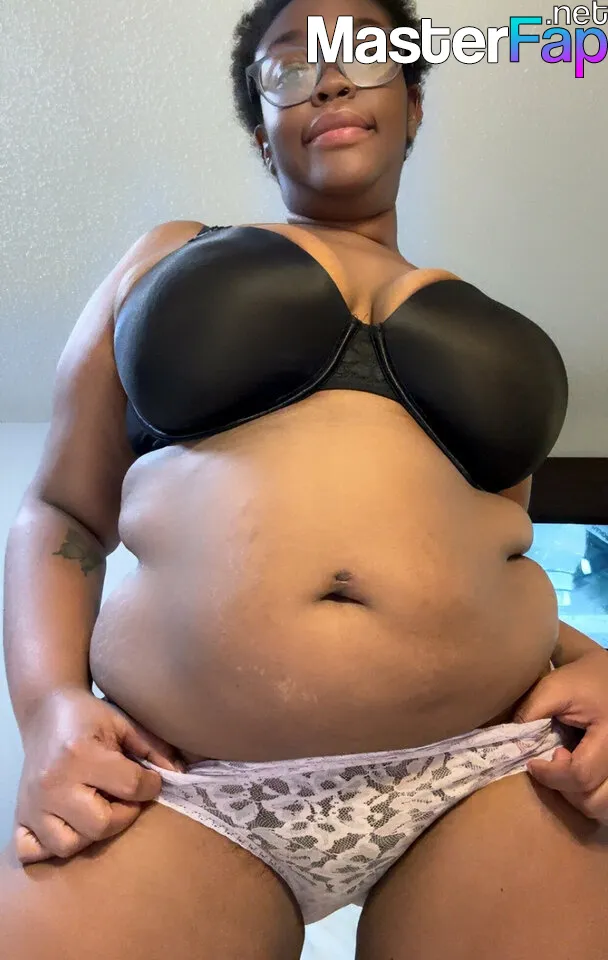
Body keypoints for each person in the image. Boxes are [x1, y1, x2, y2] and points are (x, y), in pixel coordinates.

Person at [2, 0, 608, 957]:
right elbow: (61, 510)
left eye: (361, 57)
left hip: (493, 766)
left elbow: (490, 559)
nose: (327, 81)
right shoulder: (172, 256)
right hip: (183, 780)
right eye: (290, 69)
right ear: (262, 129)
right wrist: (47, 709)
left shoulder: (491, 330)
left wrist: (594, 663)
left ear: (413, 104)